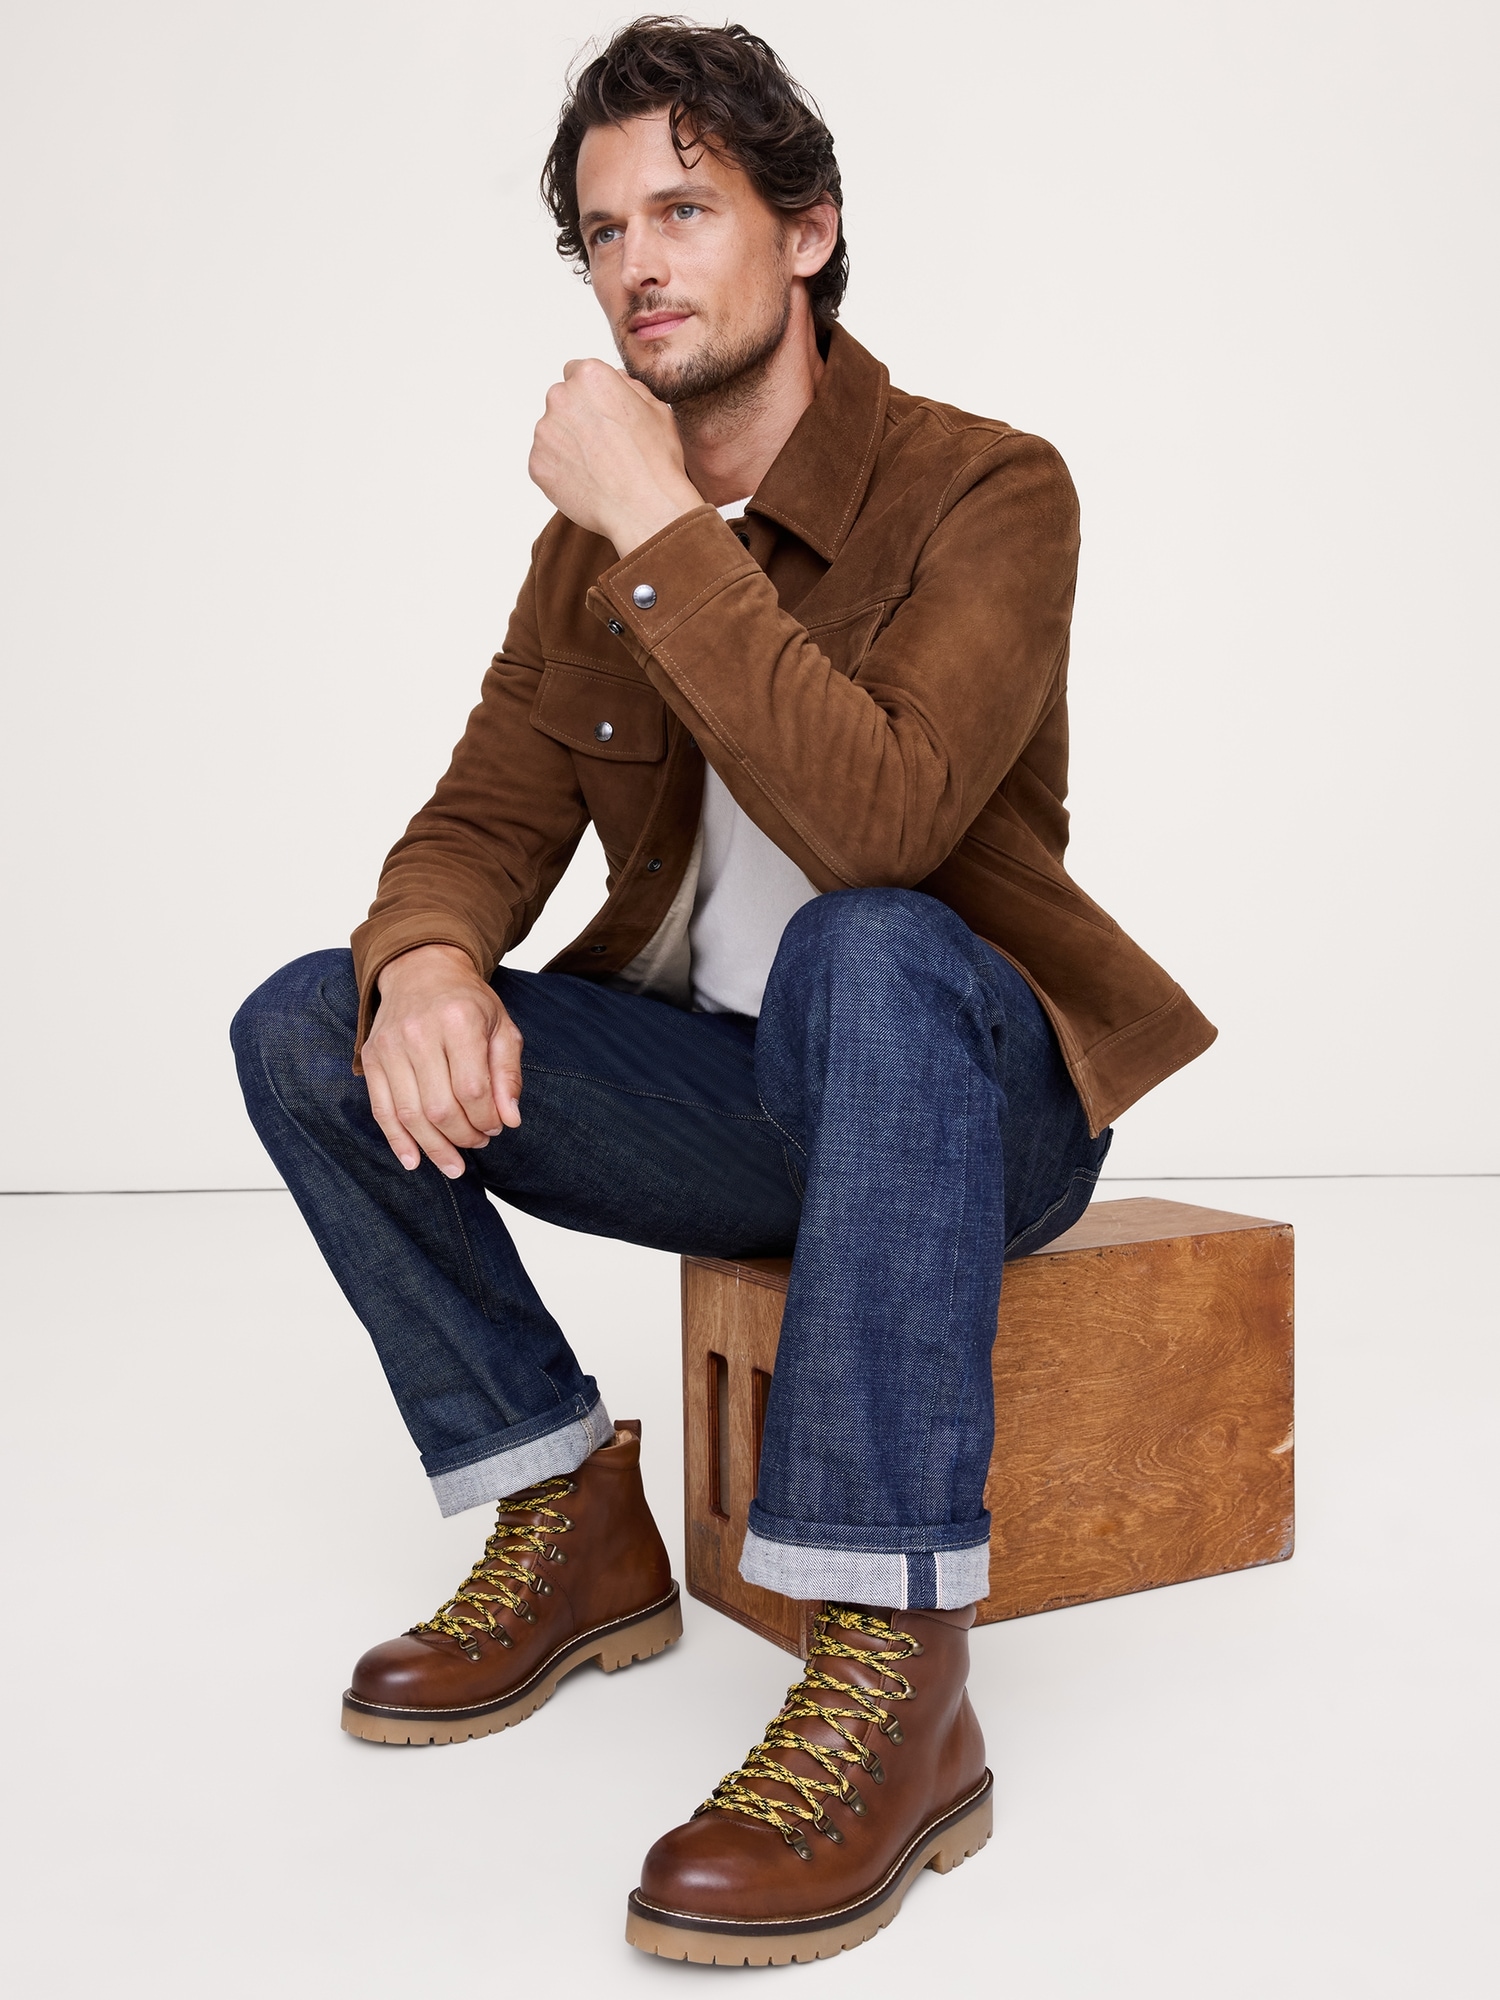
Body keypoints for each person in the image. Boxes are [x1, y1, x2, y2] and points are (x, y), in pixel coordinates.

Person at [232, 16, 1215, 1965]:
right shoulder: (587, 554)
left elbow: (883, 825)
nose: (639, 264)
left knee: (867, 945)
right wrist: (425, 959)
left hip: (975, 1096)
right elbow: (481, 817)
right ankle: (567, 1513)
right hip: (738, 1101)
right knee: (309, 1021)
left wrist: (662, 529)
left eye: (685, 208)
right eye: (604, 232)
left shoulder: (987, 489)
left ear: (810, 232)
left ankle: (896, 1667)